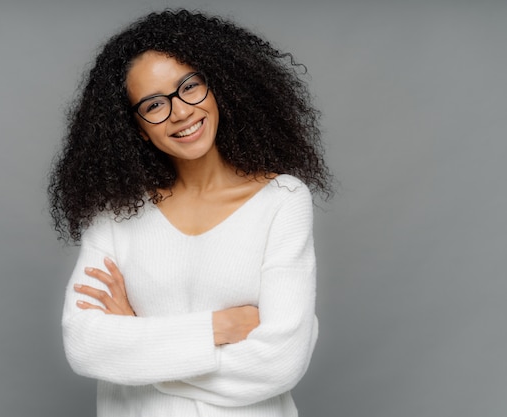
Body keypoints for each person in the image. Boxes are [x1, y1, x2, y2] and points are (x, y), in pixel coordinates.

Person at [48, 8, 332, 417]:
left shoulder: (283, 200)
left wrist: (138, 346)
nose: (180, 112)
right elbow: (85, 346)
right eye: (154, 105)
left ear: (217, 86)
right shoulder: (114, 213)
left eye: (189, 87)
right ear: (136, 127)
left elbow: (280, 363)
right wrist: (218, 328)